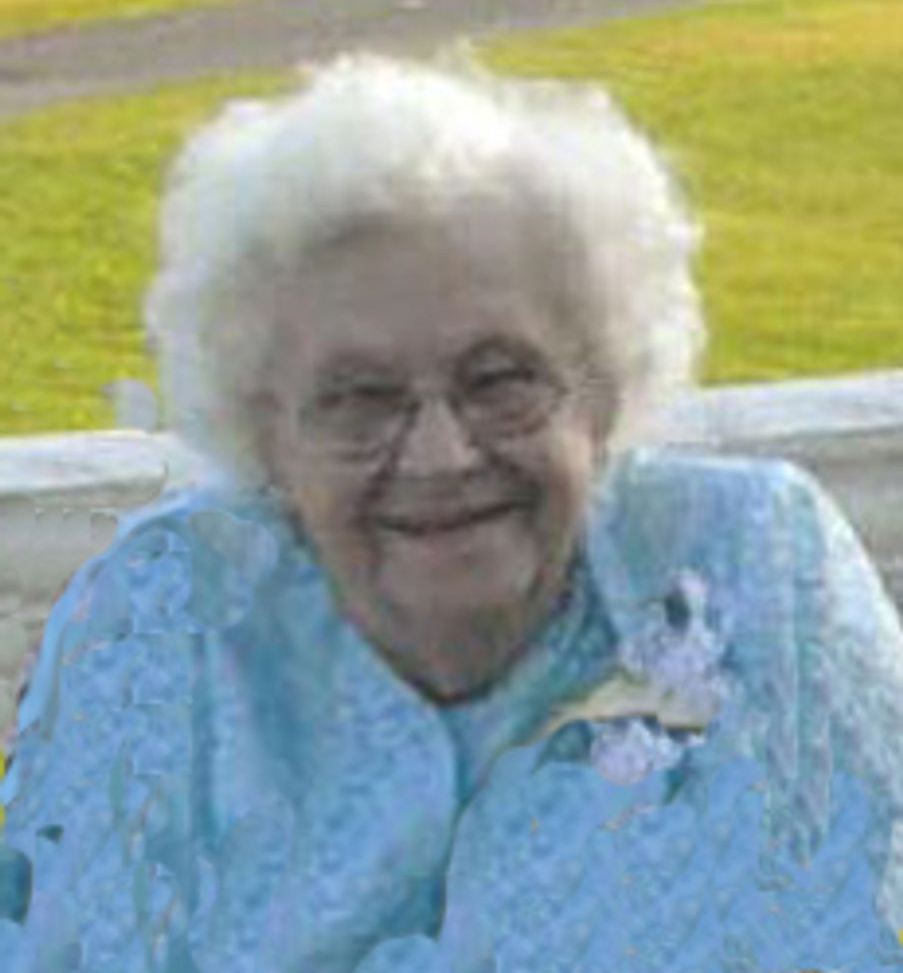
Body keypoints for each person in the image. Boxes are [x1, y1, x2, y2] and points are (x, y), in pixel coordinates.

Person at [1, 50, 901, 973]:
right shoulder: (164, 615)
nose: (440, 456)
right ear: (268, 434)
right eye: (360, 399)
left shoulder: (753, 559)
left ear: (602, 393)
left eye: (499, 380)